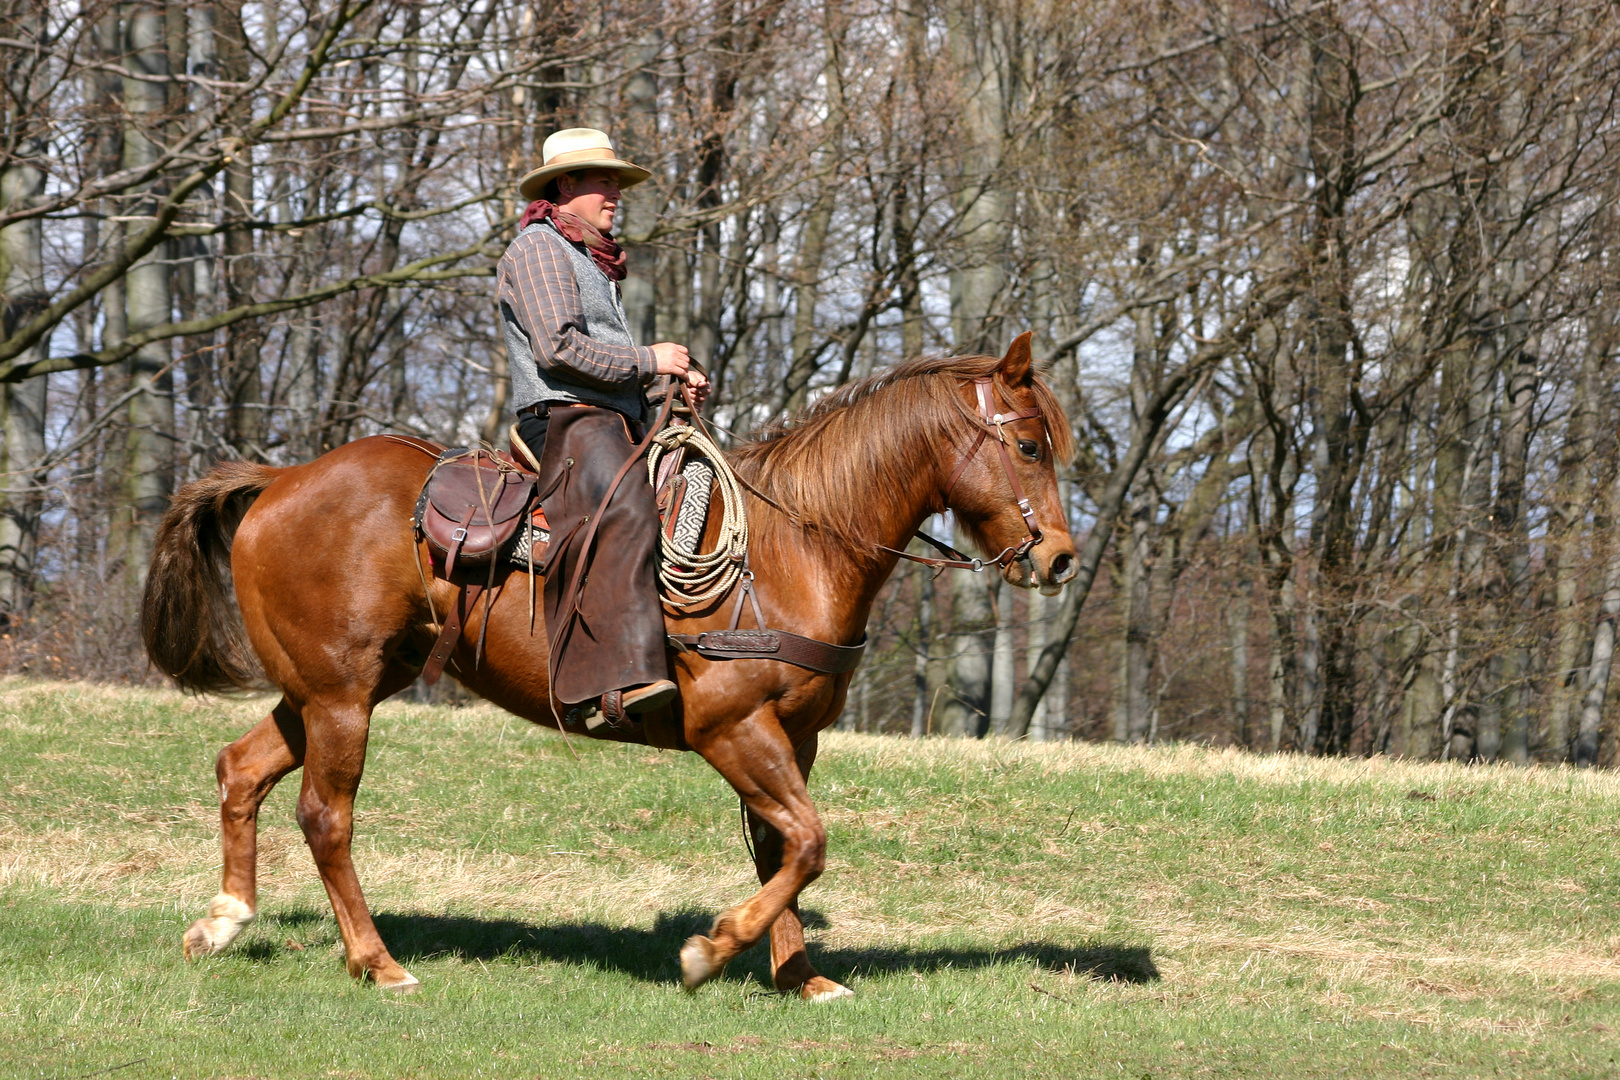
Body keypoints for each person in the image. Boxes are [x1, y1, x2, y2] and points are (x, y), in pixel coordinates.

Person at [498, 127, 708, 724]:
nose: (615, 193)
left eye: (617, 181)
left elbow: (608, 360)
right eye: (602, 181)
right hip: (563, 418)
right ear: (565, 186)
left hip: (612, 414)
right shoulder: (539, 249)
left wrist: (673, 378)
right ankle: (616, 680)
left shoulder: (594, 259)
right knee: (627, 505)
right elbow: (559, 349)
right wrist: (650, 359)